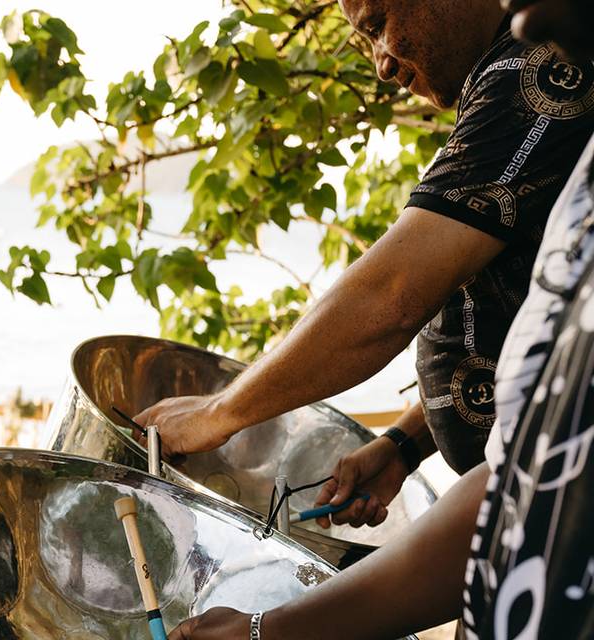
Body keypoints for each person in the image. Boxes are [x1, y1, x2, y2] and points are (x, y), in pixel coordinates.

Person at [168, 0, 594, 637]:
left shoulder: (536, 77)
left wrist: (218, 413)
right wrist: (406, 442)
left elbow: (391, 298)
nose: (382, 65)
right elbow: (551, 370)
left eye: (376, 24)